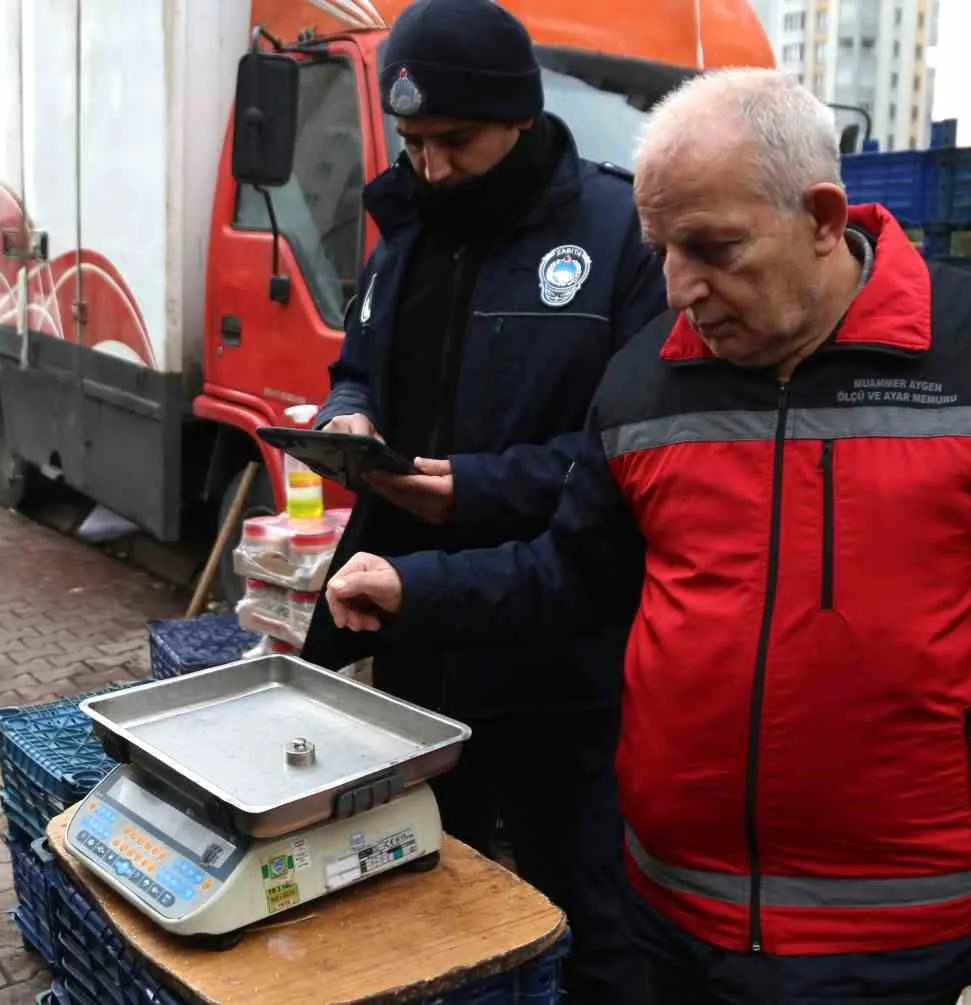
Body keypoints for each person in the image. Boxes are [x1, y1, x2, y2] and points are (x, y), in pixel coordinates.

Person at [323, 68, 971, 1004]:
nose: (679, 289)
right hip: (671, 918)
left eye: (711, 249)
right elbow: (572, 576)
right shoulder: (643, 381)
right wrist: (416, 588)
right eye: (661, 249)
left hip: (894, 935)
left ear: (824, 217)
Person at [297, 0, 667, 1000]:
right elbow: (356, 365)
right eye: (413, 141)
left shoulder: (619, 237)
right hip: (420, 631)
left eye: (454, 140)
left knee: (584, 911)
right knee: (434, 896)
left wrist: (475, 489)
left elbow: (633, 455)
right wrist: (346, 417)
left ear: (520, 116)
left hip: (566, 655)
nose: (431, 163)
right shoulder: (402, 237)